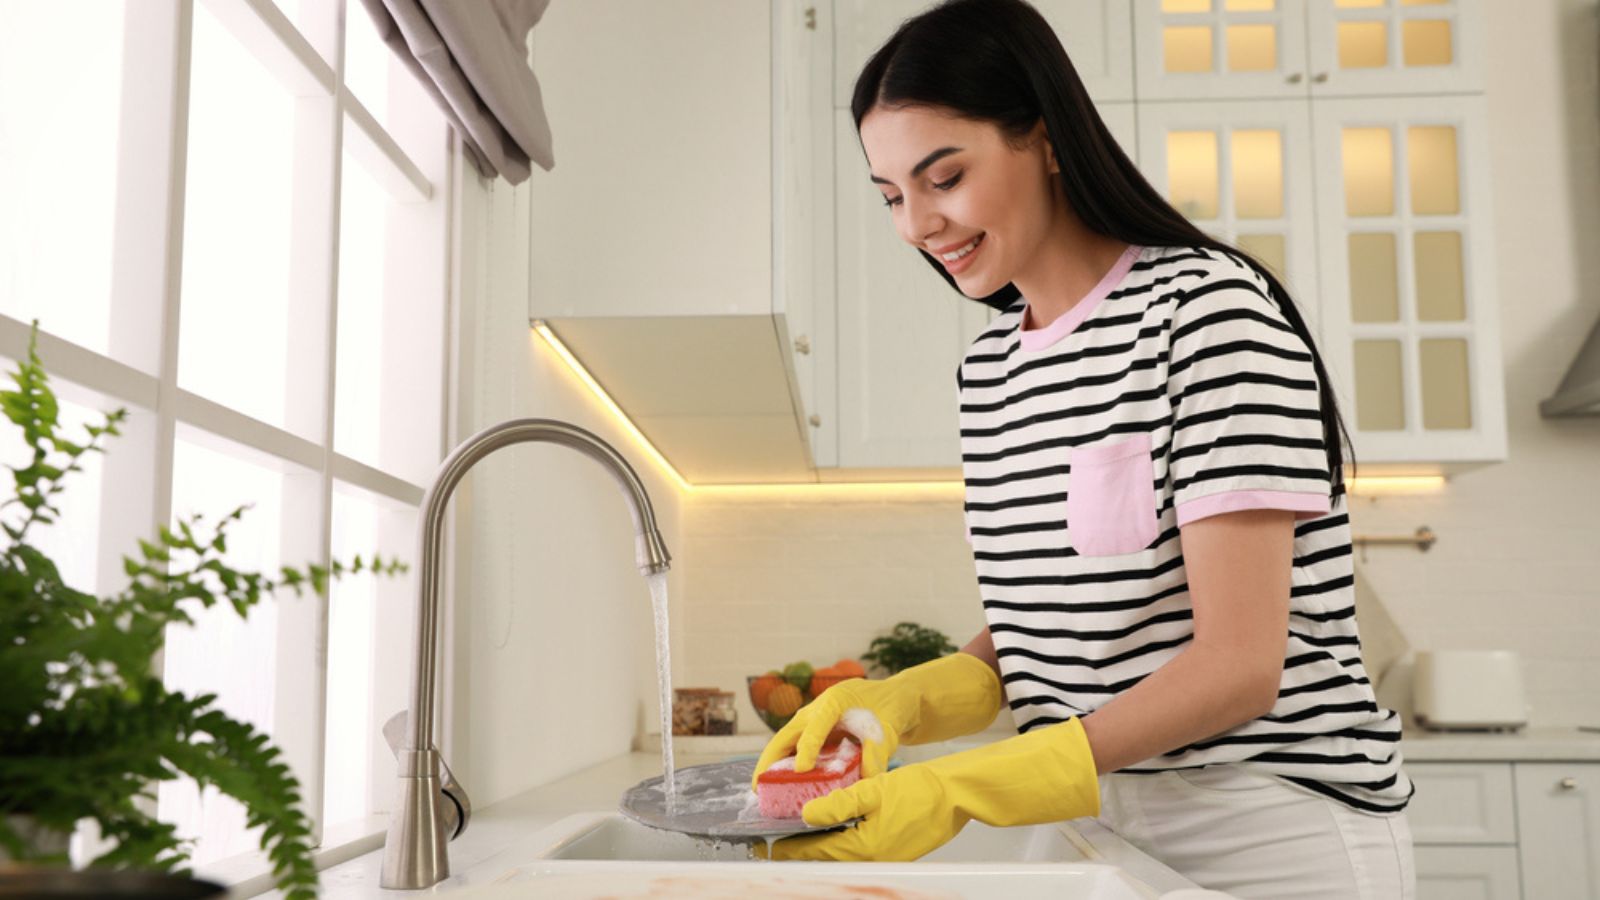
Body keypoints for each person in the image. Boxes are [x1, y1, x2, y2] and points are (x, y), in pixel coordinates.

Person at [750, 1, 1416, 896]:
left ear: (1047, 138)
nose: (916, 225)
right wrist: (913, 697)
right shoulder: (989, 372)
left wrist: (975, 785)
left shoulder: (1207, 314)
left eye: (943, 178)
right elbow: (1054, 623)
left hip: (1267, 829)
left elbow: (1239, 666)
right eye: (892, 198)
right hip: (1090, 823)